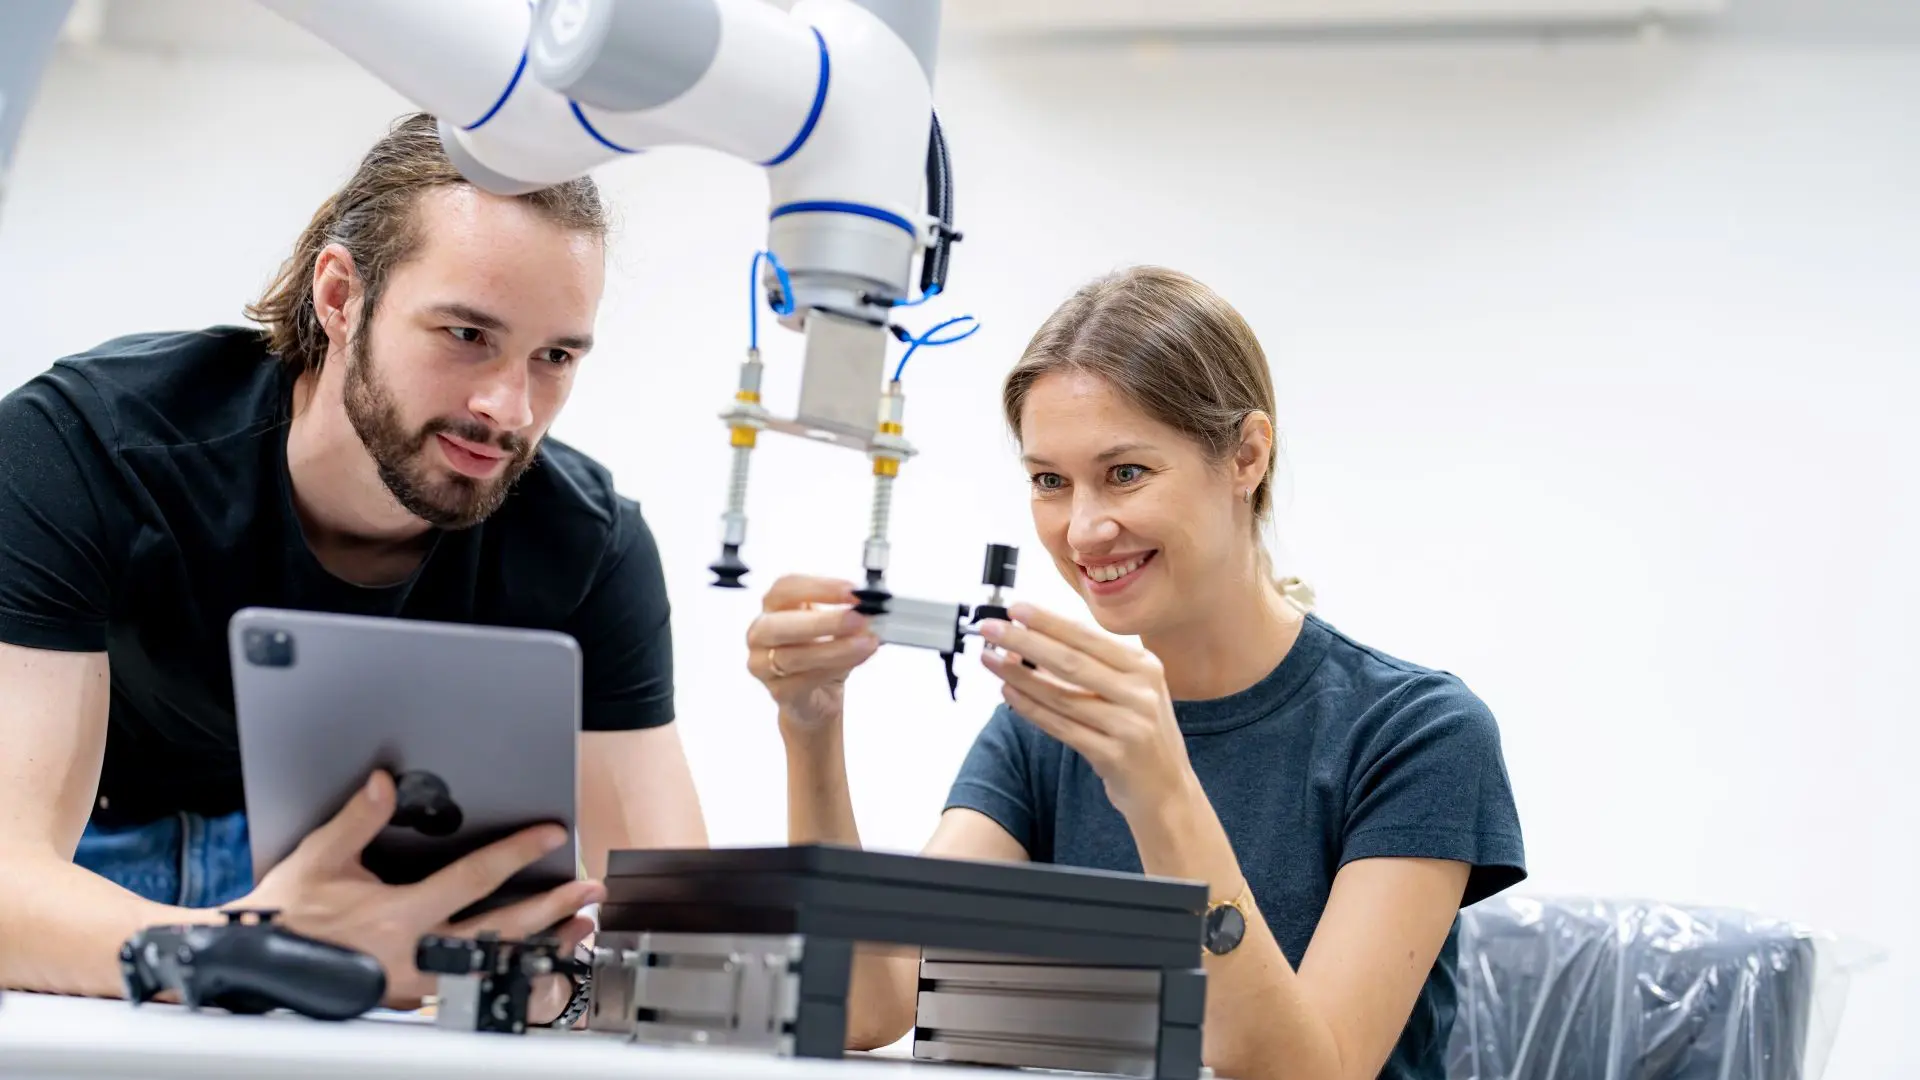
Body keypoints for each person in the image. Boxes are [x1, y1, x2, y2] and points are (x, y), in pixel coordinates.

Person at [0, 113, 707, 1017]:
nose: (509, 408)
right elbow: (13, 879)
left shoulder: (589, 543)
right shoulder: (85, 446)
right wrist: (246, 948)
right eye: (465, 334)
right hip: (97, 862)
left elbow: (687, 949)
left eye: (555, 357)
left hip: (368, 896)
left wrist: (548, 983)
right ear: (340, 298)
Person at [747, 266, 1526, 1080]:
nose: (1083, 530)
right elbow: (869, 1004)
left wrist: (1159, 788)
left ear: (1246, 455)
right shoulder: (1045, 727)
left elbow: (1313, 1071)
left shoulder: (1416, 733)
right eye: (1050, 481)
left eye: (1125, 473)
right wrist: (809, 729)